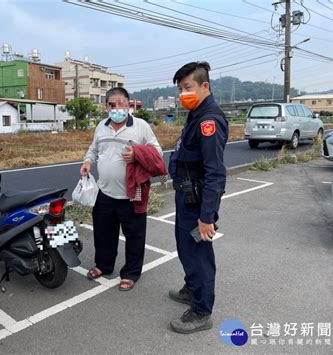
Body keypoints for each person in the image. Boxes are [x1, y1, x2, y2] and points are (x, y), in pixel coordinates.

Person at [80, 87, 163, 291]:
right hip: (105, 192)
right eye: (112, 104)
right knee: (103, 233)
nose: (117, 108)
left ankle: (131, 273)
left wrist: (137, 154)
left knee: (134, 235)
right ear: (106, 106)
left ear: (129, 104)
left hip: (131, 193)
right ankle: (104, 265)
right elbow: (93, 150)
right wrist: (88, 162)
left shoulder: (141, 126)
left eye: (121, 103)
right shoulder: (101, 126)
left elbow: (157, 152)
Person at [167, 61, 228, 333]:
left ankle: (202, 311)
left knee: (200, 254)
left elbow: (215, 173)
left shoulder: (209, 121)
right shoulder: (195, 113)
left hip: (198, 202)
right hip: (186, 197)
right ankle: (192, 289)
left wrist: (207, 217)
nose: (183, 94)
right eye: (180, 89)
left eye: (187, 87)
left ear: (205, 86)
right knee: (184, 247)